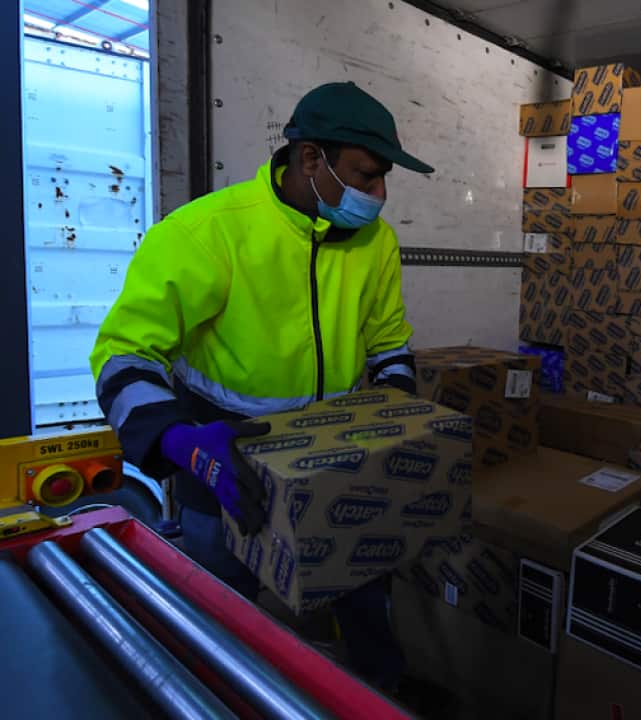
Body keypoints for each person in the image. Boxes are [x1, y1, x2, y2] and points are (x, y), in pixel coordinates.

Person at [89, 81, 431, 692]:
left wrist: (398, 420)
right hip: (225, 463)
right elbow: (123, 354)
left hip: (338, 465)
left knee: (362, 591)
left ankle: (382, 692)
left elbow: (388, 341)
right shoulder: (207, 233)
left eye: (383, 179)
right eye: (368, 175)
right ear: (310, 159)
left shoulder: (375, 243)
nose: (379, 195)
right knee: (220, 621)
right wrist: (181, 443)